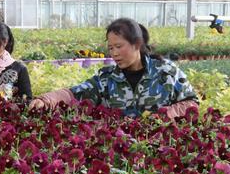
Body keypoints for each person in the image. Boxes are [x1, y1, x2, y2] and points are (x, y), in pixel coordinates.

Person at [28, 18, 197, 119]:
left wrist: (165, 115)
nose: (114, 53)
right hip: (119, 151)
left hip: (161, 152)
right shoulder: (106, 78)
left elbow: (191, 103)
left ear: (137, 44)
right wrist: (46, 99)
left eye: (119, 46)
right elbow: (73, 93)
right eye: (110, 48)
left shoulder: (166, 72)